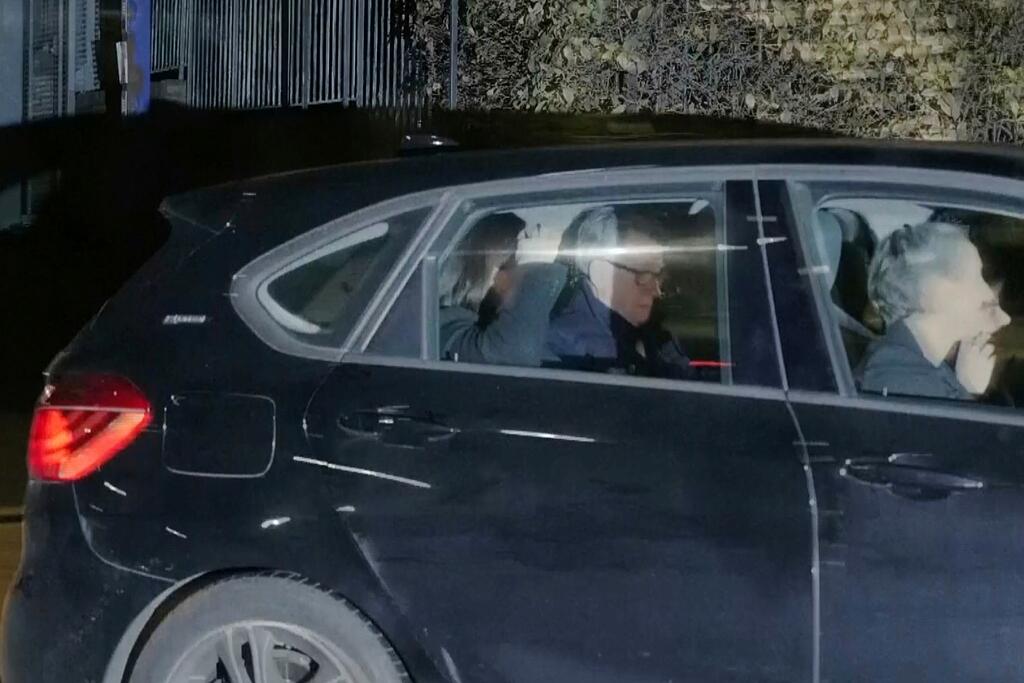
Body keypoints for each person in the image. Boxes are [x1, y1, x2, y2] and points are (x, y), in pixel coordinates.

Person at [857, 221, 1010, 400]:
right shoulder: (900, 376)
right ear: (934, 289)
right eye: (976, 277)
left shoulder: (909, 363)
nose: (987, 293)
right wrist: (967, 390)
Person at [544, 206, 692, 378]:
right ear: (601, 272)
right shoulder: (567, 350)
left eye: (659, 275)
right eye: (643, 274)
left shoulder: (650, 330)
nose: (657, 291)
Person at [439, 212, 567, 366]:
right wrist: (536, 269)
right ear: (489, 270)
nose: (520, 279)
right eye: (517, 268)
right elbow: (512, 356)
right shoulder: (443, 328)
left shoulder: (517, 328)